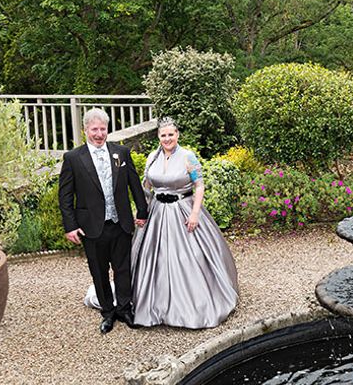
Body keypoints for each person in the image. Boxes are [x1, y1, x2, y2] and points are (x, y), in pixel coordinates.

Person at [131, 117, 238, 328]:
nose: (167, 138)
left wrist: (195, 213)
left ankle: (192, 305)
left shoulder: (188, 156)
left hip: (183, 212)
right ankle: (152, 303)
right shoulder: (152, 157)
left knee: (191, 257)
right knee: (153, 258)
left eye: (171, 134)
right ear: (158, 137)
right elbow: (146, 186)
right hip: (157, 214)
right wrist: (141, 211)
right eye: (163, 135)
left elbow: (199, 185)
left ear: (177, 135)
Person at [58, 108, 148, 334]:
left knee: (123, 269)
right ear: (85, 129)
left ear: (108, 129)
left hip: (121, 223)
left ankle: (125, 309)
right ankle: (108, 312)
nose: (99, 133)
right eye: (94, 129)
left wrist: (142, 210)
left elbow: (134, 184)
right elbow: (65, 195)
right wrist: (70, 226)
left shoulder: (121, 153)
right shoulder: (73, 158)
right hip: (91, 226)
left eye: (103, 129)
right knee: (98, 271)